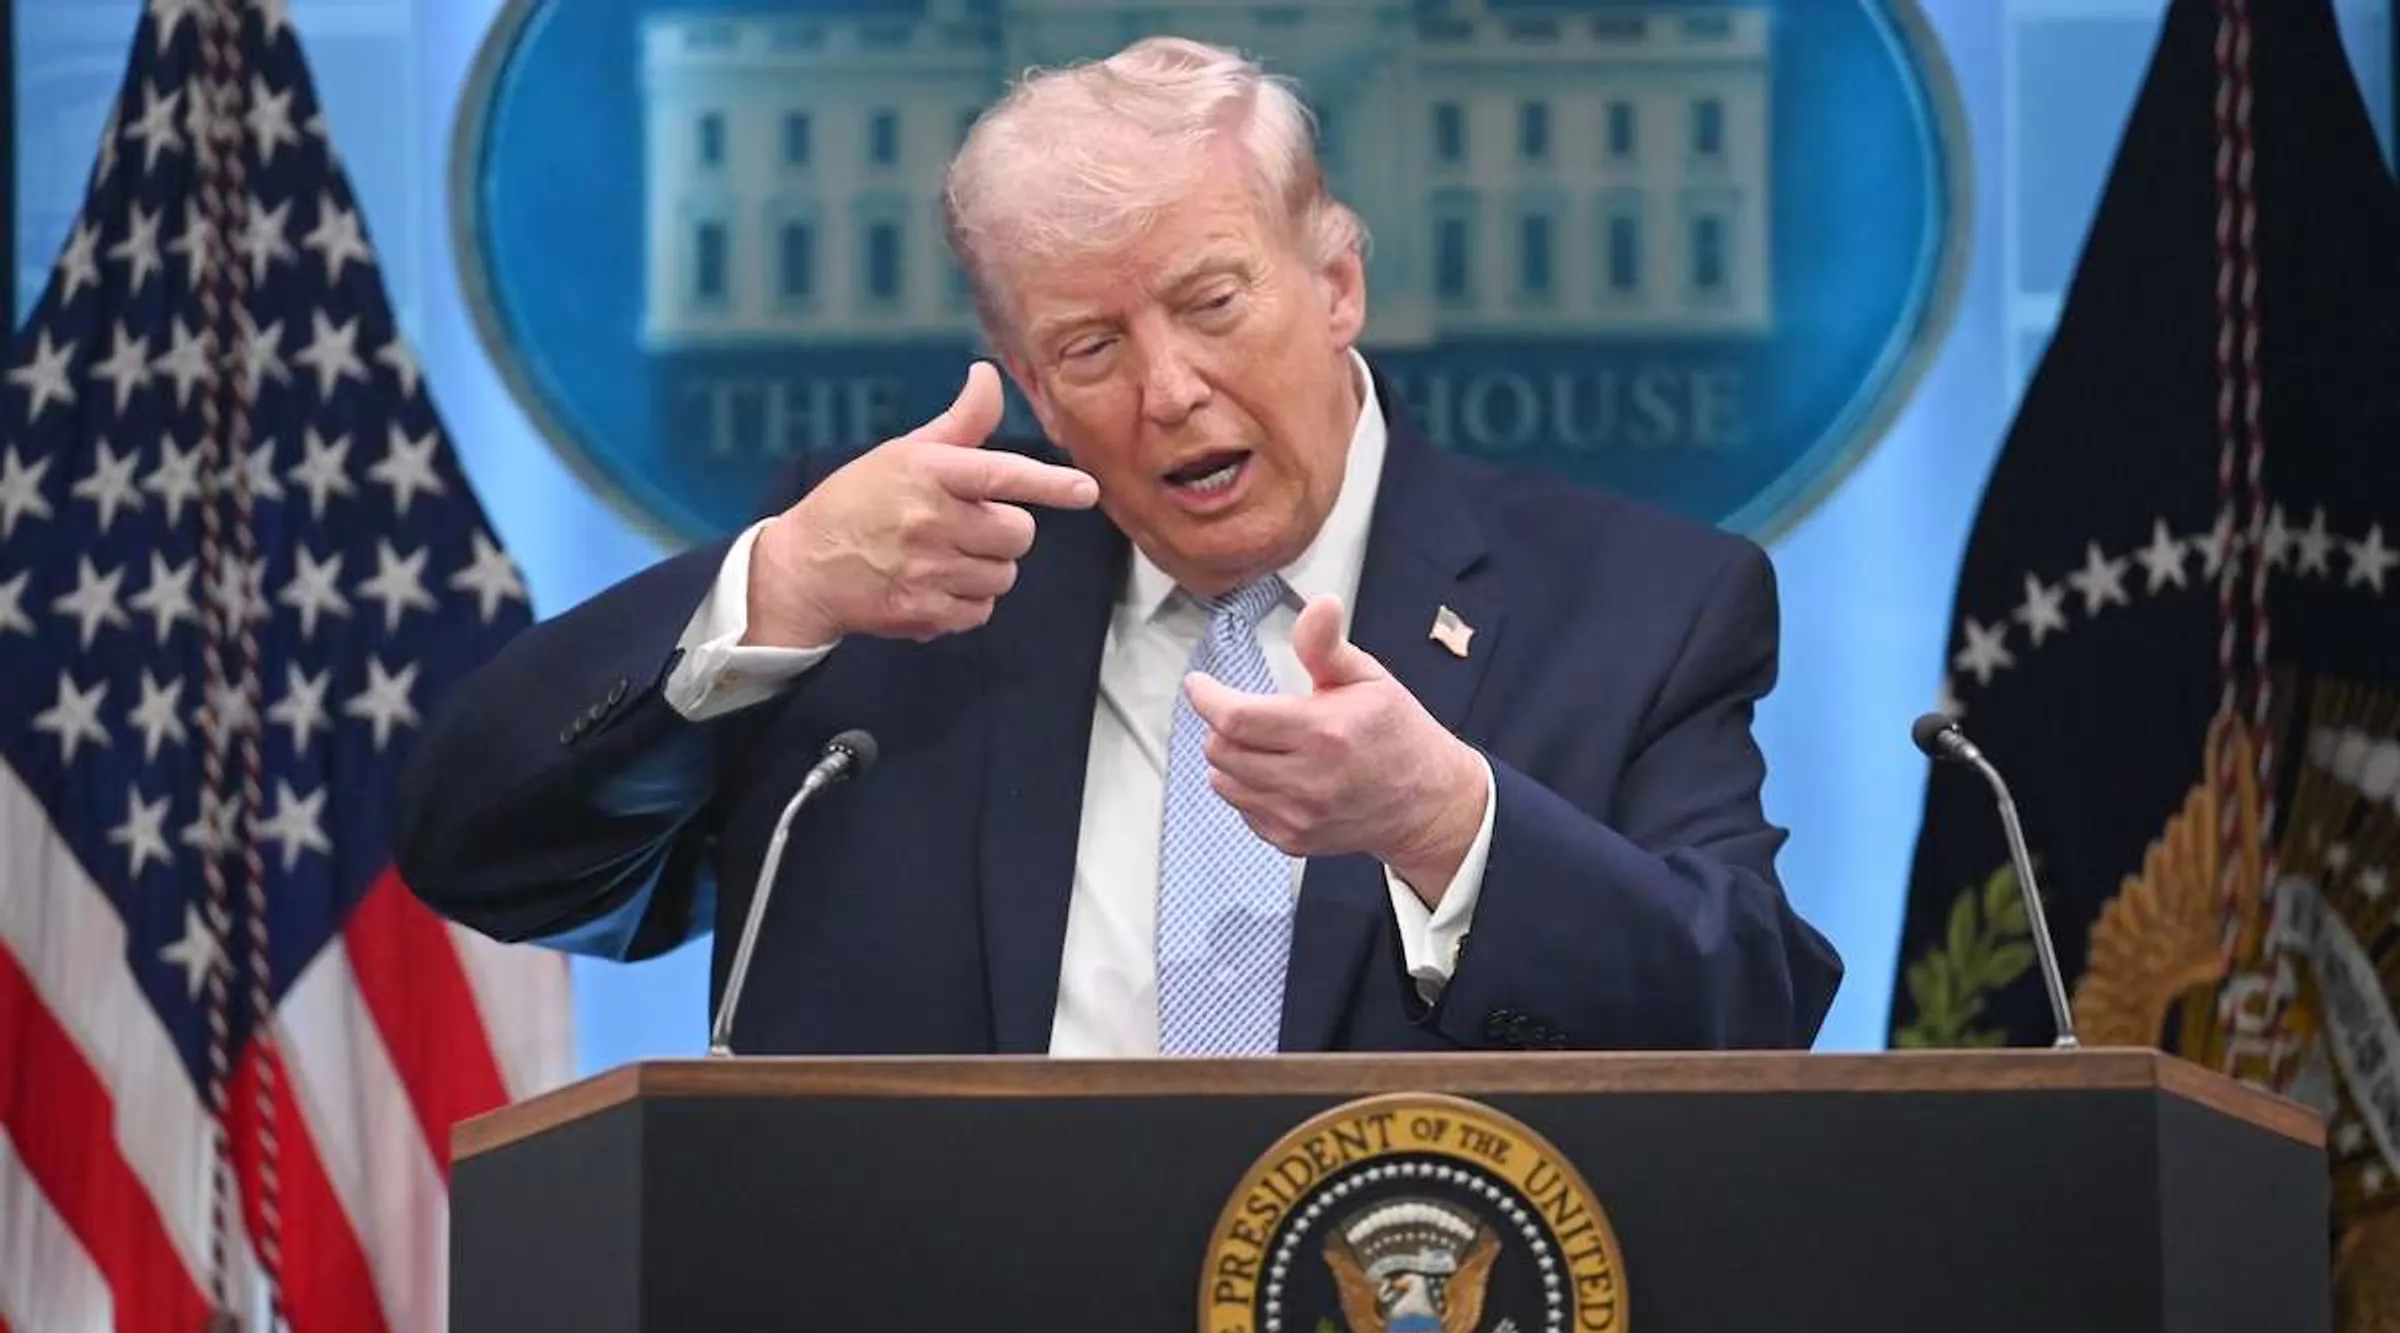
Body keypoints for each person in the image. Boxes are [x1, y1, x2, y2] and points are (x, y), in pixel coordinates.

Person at [393, 36, 1842, 1056]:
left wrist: (1448, 825)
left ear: (1337, 282)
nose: (1169, 391)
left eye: (1213, 304)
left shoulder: (1638, 607)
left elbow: (1751, 1017)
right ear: (1027, 381)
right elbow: (485, 856)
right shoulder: (895, 593)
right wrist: (774, 586)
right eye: (1090, 346)